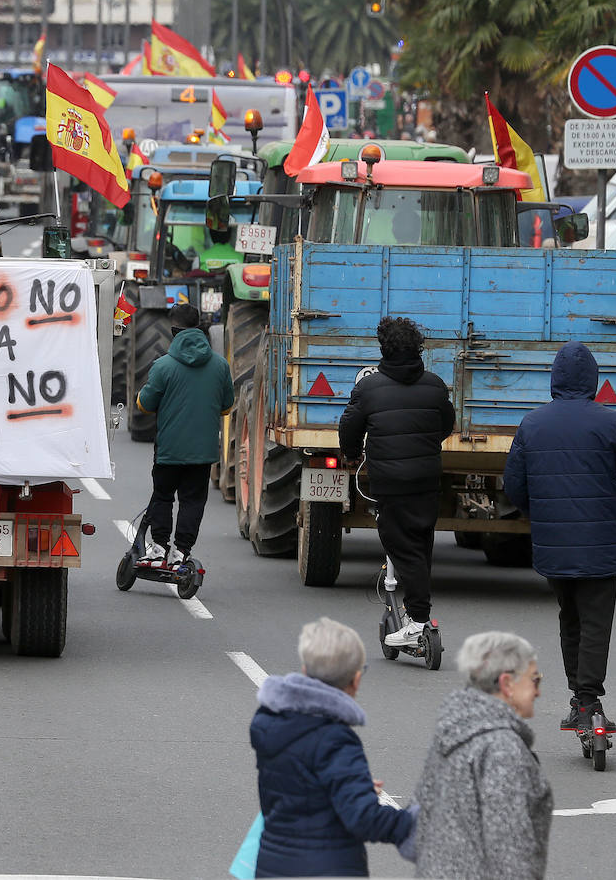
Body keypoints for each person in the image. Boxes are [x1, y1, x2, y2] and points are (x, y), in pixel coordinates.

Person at [503, 341, 616, 732]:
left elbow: (514, 486)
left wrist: (541, 514)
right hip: (601, 539)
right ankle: (590, 698)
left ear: (554, 379)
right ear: (593, 380)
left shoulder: (532, 424)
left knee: (570, 618)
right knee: (597, 622)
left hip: (554, 543)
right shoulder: (611, 422)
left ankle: (578, 700)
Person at [250, 617, 418, 878]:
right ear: (356, 679)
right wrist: (414, 823)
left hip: (273, 865)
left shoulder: (271, 722)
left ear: (305, 670)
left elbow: (298, 787)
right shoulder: (336, 739)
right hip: (327, 868)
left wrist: (352, 785)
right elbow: (363, 817)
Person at [338, 316, 454, 647]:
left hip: (390, 481)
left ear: (383, 348)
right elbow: (445, 424)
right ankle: (416, 612)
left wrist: (350, 453)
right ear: (418, 347)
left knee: (400, 545)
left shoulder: (368, 388)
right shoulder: (434, 385)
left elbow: (349, 427)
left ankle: (418, 621)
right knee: (421, 545)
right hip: (427, 479)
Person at [413, 632, 552, 880]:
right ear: (507, 684)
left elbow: (423, 813)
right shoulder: (502, 748)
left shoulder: (454, 728)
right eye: (535, 680)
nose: (538, 691)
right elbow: (509, 850)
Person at [135, 302, 235, 566]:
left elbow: (145, 405)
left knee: (163, 496)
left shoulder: (163, 366)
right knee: (192, 501)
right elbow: (227, 407)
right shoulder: (220, 366)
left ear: (173, 330)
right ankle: (181, 552)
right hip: (202, 453)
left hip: (169, 450)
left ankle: (158, 549)